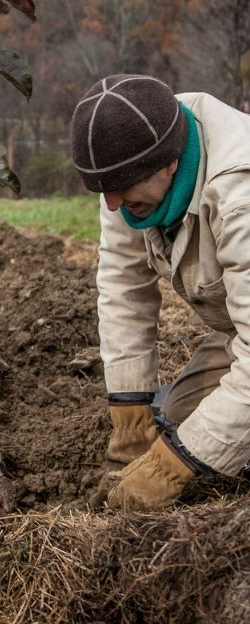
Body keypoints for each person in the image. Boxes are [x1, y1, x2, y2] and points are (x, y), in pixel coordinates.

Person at [69, 74, 250, 512]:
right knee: (182, 421)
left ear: (170, 162)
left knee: (204, 449)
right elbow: (124, 286)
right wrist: (129, 409)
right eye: (103, 191)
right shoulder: (127, 166)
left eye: (121, 191)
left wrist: (173, 465)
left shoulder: (238, 198)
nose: (111, 204)